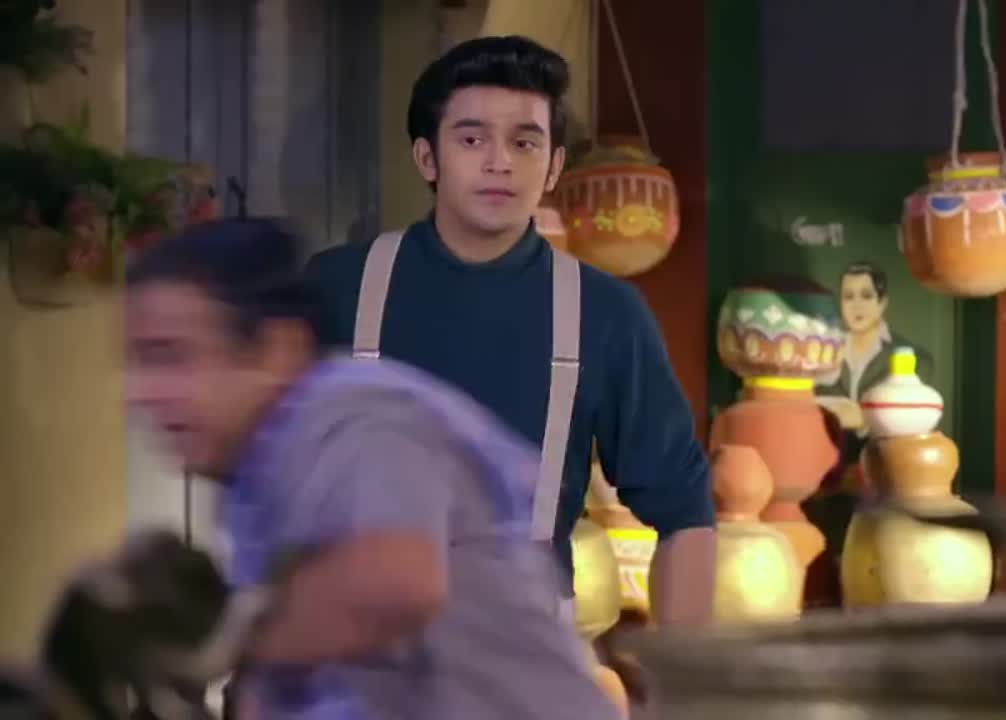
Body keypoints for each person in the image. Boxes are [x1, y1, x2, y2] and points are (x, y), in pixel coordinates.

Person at [118, 218, 620, 719]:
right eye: (137, 362)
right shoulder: (250, 477)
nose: (140, 392)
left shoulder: (359, 415)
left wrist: (217, 640)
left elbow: (396, 584)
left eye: (170, 356)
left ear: (278, 348)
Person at [303, 35, 716, 625]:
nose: (500, 162)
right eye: (472, 139)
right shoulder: (338, 288)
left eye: (525, 142)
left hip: (526, 647)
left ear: (554, 167)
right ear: (427, 158)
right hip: (355, 645)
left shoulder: (603, 313)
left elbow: (686, 513)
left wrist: (683, 675)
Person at [817, 261, 935, 429]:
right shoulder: (823, 352)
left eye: (866, 296)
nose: (856, 306)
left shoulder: (918, 360)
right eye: (849, 297)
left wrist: (862, 419)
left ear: (882, 303)